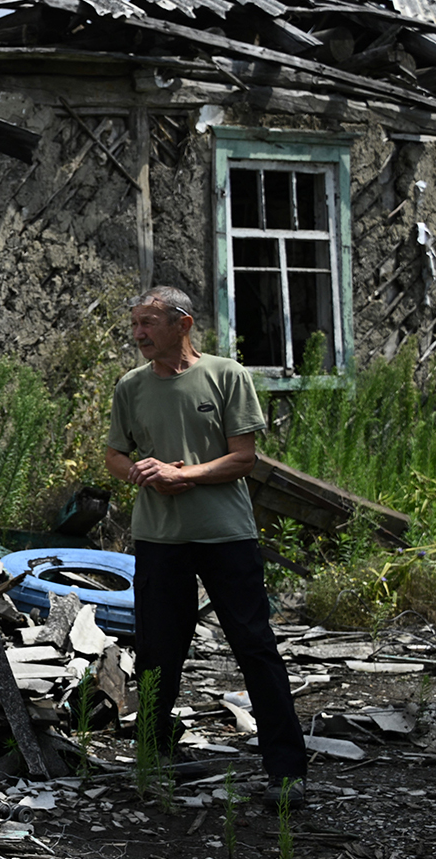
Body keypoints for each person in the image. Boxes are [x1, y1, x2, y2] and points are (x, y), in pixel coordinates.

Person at [105, 286, 307, 805]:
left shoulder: (226, 375)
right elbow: (114, 456)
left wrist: (183, 473)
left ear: (183, 324)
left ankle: (286, 773)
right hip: (159, 539)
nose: (139, 334)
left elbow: (244, 459)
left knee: (254, 647)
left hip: (225, 536)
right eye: (135, 324)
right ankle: (152, 759)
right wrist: (140, 474)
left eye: (149, 322)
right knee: (157, 652)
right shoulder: (130, 386)